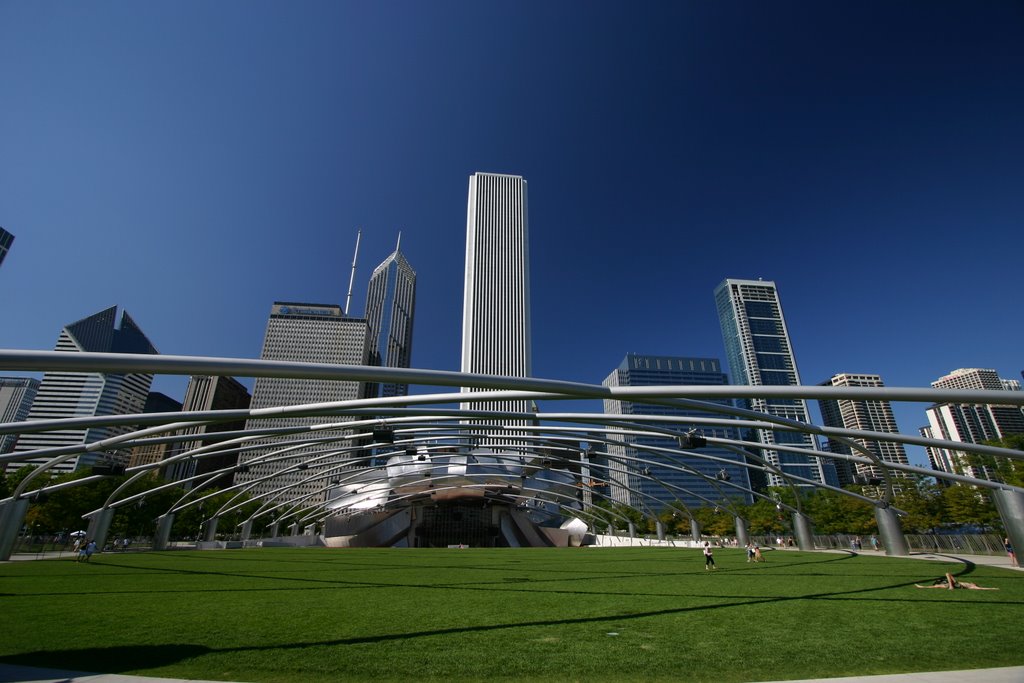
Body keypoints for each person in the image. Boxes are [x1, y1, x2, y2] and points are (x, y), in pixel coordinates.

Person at [915, 573, 998, 590]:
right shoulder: (969, 585)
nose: (972, 582)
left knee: (947, 574)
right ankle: (922, 587)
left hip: (957, 585)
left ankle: (951, 586)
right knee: (937, 586)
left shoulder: (972, 586)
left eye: (973, 583)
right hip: (956, 584)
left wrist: (993, 588)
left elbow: (982, 589)